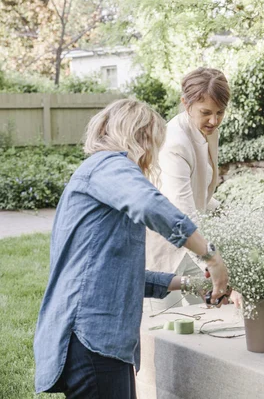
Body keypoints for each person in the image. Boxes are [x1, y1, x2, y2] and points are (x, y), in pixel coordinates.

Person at [34, 99, 229, 398]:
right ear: (140, 137)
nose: (153, 158)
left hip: (102, 340)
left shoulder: (104, 179)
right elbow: (151, 204)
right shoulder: (109, 166)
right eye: (154, 144)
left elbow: (121, 275)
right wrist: (212, 257)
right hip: (91, 337)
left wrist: (191, 283)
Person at [145, 67, 240, 310]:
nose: (214, 120)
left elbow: (198, 190)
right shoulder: (174, 144)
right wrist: (211, 261)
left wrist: (227, 214)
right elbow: (183, 210)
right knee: (170, 332)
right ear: (186, 103)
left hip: (191, 238)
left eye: (220, 112)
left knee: (211, 318)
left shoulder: (206, 130)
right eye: (206, 112)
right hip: (167, 247)